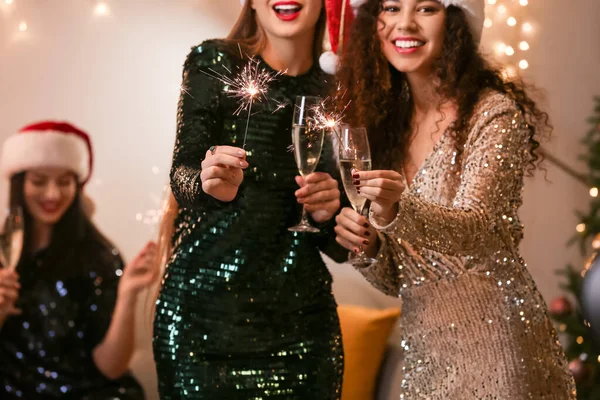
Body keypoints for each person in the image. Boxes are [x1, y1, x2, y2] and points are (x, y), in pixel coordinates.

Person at [332, 0, 576, 398]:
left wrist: (396, 210)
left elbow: (475, 231)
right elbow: (400, 279)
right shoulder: (384, 124)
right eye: (391, 7)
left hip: (498, 353)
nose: (405, 24)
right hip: (426, 360)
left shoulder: (493, 114)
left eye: (426, 8)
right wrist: (369, 245)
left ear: (456, 21)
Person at [152, 0, 350, 398]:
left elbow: (343, 246)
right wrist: (208, 185)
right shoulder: (214, 61)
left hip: (302, 330)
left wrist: (330, 213)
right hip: (200, 326)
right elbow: (182, 174)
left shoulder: (341, 87)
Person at [0, 121, 157, 399]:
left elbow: (111, 368)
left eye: (64, 181)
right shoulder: (5, 254)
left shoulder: (98, 257)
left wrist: (128, 295)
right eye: (39, 181)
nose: (52, 194)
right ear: (19, 183)